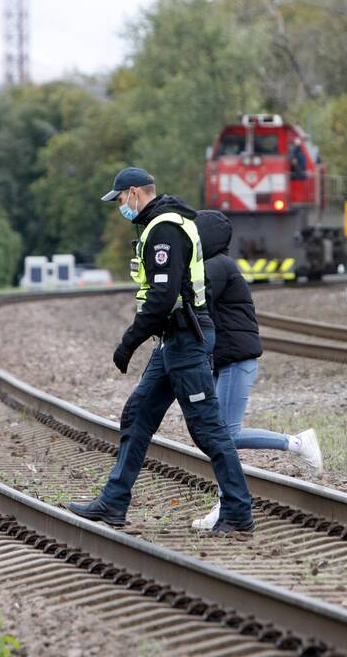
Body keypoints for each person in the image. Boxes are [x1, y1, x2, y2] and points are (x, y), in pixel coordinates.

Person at [67, 167, 255, 534]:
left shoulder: (164, 229)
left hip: (186, 340)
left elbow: (162, 297)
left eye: (121, 198)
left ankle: (238, 511)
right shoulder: (161, 224)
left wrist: (128, 342)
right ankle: (114, 501)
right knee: (137, 415)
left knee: (209, 430)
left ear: (135, 193)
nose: (121, 205)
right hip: (174, 340)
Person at [191, 210, 323, 530]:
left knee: (225, 434)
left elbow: (198, 302)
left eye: (194, 235)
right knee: (218, 436)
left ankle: (296, 444)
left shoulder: (218, 267)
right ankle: (224, 504)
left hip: (236, 361)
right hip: (222, 361)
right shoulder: (214, 265)